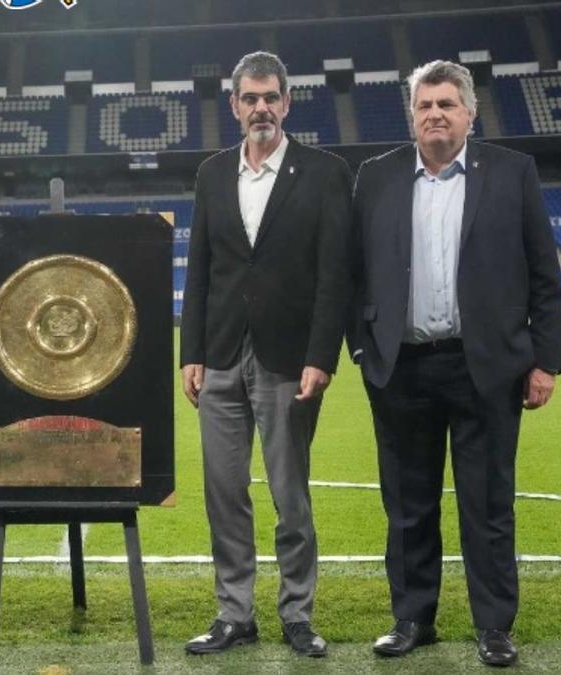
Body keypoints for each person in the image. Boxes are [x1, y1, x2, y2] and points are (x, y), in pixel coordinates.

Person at [348, 60, 561, 667]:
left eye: (447, 104)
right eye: (425, 105)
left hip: (487, 368)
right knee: (408, 506)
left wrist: (545, 361)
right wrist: (364, 350)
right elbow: (352, 274)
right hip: (403, 369)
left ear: (470, 113)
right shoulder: (376, 176)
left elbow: (545, 276)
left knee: (488, 505)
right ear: (412, 115)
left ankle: (494, 626)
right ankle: (413, 618)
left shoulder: (513, 173)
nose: (436, 114)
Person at [179, 51, 352, 658]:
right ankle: (235, 614)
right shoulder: (211, 173)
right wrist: (190, 352)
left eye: (270, 97)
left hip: (287, 358)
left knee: (289, 494)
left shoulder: (325, 172)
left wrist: (321, 355)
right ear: (233, 105)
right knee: (223, 493)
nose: (260, 108)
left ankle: (297, 615)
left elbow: (335, 275)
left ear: (287, 102)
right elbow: (201, 269)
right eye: (249, 98)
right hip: (221, 355)